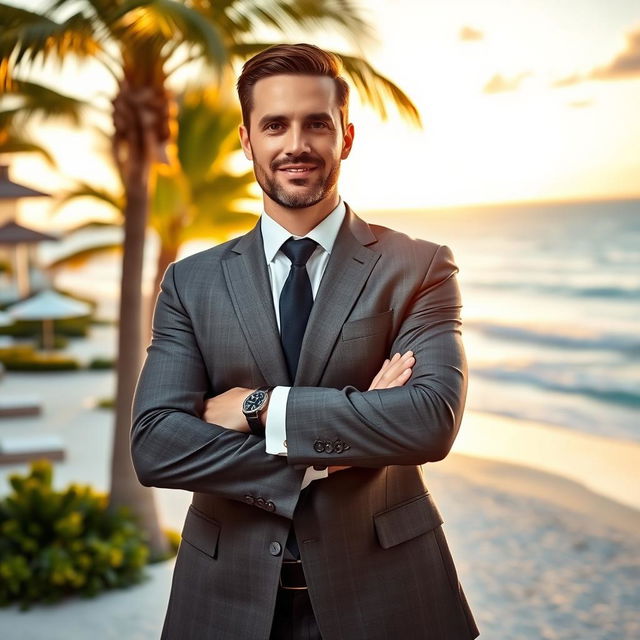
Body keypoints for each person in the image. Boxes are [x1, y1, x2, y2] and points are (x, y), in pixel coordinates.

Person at [131, 43, 480, 640]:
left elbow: (428, 420)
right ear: (247, 141)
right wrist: (331, 449)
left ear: (345, 137)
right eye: (275, 125)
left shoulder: (418, 267)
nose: (296, 144)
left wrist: (258, 408)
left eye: (316, 124)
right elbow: (157, 444)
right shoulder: (191, 282)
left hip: (389, 592)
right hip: (224, 598)